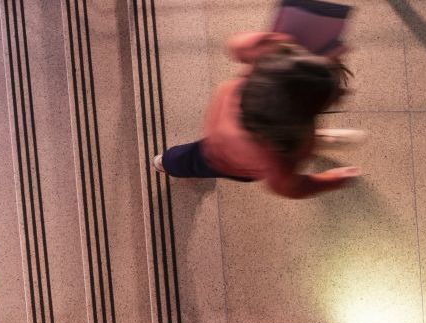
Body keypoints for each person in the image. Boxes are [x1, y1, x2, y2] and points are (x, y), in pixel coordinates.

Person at [152, 31, 365, 199]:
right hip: (222, 159)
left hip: (242, 135)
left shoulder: (261, 74)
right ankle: (167, 163)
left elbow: (236, 45)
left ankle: (170, 161)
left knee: (192, 154)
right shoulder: (275, 161)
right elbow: (291, 187)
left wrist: (273, 39)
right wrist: (333, 180)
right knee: (193, 160)